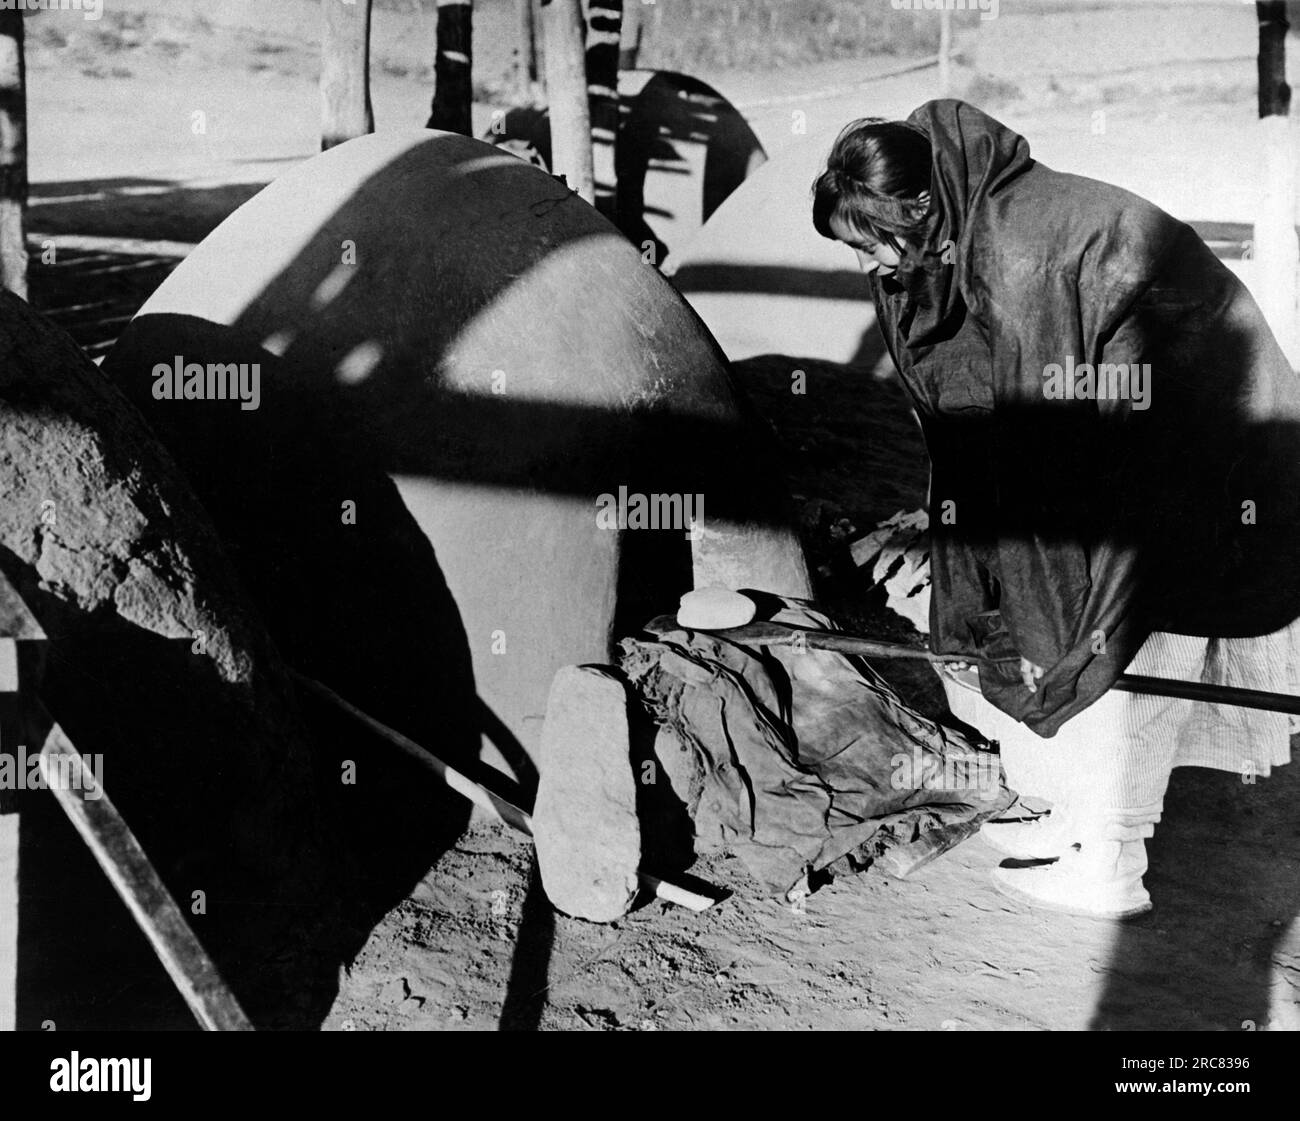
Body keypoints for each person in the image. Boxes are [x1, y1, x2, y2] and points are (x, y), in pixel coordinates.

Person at [811, 99, 1300, 919]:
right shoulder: (980, 211)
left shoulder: (1021, 247)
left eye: (871, 244)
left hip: (1209, 432)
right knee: (1075, 598)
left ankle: (1112, 856)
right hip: (1148, 410)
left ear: (921, 208)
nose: (870, 266)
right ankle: (1081, 818)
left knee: (1120, 620)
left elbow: (1045, 432)